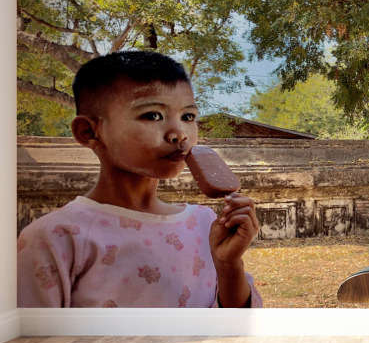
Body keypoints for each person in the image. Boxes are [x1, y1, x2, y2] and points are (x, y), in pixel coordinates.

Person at [17, 51, 262, 308]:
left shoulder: (205, 223)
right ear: (89, 131)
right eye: (153, 115)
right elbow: (34, 342)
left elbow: (235, 329)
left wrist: (228, 264)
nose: (179, 134)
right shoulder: (54, 236)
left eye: (188, 117)